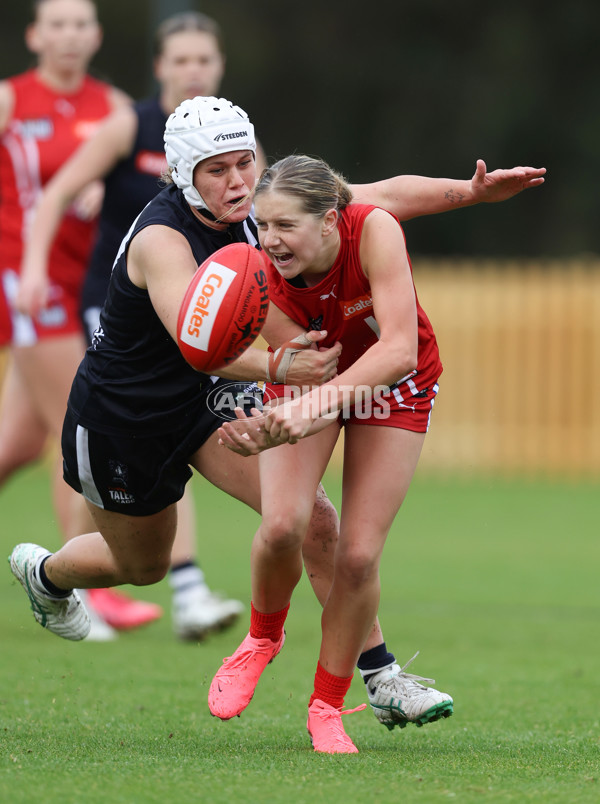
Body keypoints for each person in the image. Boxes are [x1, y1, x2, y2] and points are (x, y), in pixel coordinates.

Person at [8, 96, 545, 738]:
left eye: (244, 163)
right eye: (218, 170)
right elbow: (197, 342)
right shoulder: (162, 239)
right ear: (184, 173)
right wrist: (281, 369)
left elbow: (376, 197)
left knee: (311, 520)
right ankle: (47, 574)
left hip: (203, 401)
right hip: (125, 419)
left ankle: (380, 676)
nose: (238, 181)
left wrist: (471, 192)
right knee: (142, 566)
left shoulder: (261, 213)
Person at [208, 152, 545, 753]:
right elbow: (246, 356)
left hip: (398, 383)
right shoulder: (258, 273)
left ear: (332, 219)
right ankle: (262, 638)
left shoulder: (373, 229)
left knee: (358, 557)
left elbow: (398, 352)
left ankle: (327, 708)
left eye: (285, 225)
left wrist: (469, 194)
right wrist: (266, 422)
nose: (270, 240)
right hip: (317, 376)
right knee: (284, 523)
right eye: (263, 225)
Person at [8, 11, 267, 640]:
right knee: (102, 444)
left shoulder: (214, 148)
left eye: (203, 60)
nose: (192, 70)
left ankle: (87, 577)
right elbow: (54, 192)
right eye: (180, 60)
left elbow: (311, 204)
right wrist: (33, 263)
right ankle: (166, 587)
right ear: (161, 67)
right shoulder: (112, 120)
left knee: (13, 447)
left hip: (165, 326)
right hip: (97, 302)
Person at [0, 0, 144, 639]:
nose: (68, 35)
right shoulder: (10, 99)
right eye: (55, 24)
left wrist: (100, 187)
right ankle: (80, 587)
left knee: (19, 444)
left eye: (80, 24)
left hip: (88, 283)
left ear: (96, 36)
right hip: (28, 282)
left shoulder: (112, 106)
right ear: (34, 35)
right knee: (74, 424)